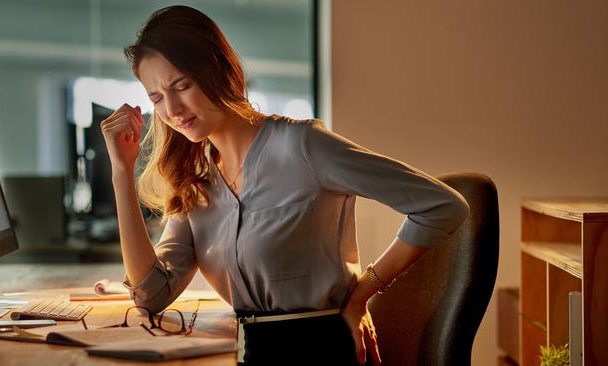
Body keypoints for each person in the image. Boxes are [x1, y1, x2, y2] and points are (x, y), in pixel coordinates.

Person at [101, 5, 469, 365]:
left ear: (217, 71)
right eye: (156, 98)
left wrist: (362, 295)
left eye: (182, 86)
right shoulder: (196, 179)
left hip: (318, 347)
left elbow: (441, 206)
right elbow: (151, 295)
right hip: (246, 348)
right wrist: (121, 172)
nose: (172, 109)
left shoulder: (303, 146)